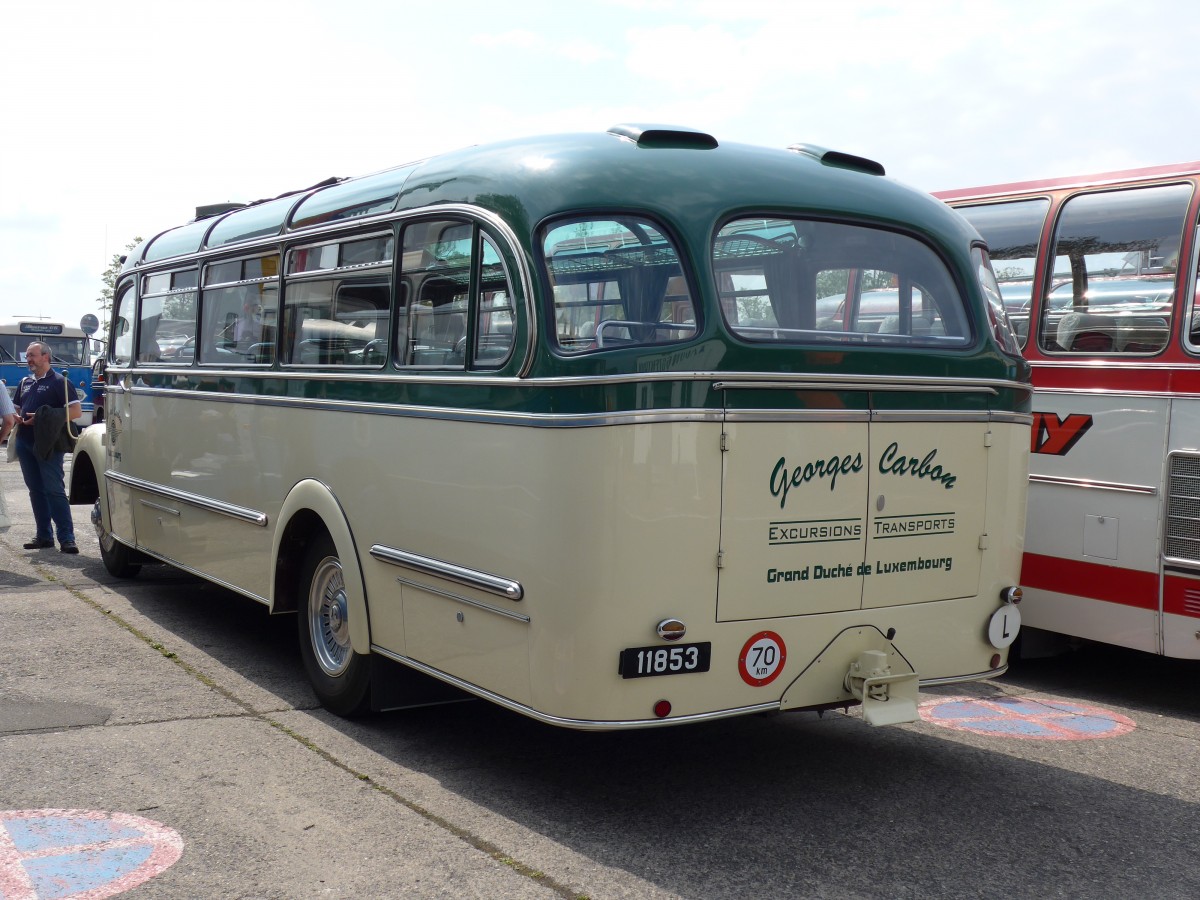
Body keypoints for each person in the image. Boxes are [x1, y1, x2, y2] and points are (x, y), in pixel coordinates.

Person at [12, 341, 81, 553]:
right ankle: (43, 536)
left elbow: (76, 411)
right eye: (27, 356)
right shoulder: (24, 382)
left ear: (45, 357)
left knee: (54, 490)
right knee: (36, 490)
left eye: (32, 355)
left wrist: (42, 418)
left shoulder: (60, 382)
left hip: (48, 443)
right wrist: (16, 416)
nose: (29, 360)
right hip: (25, 441)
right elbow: (17, 407)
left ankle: (67, 538)